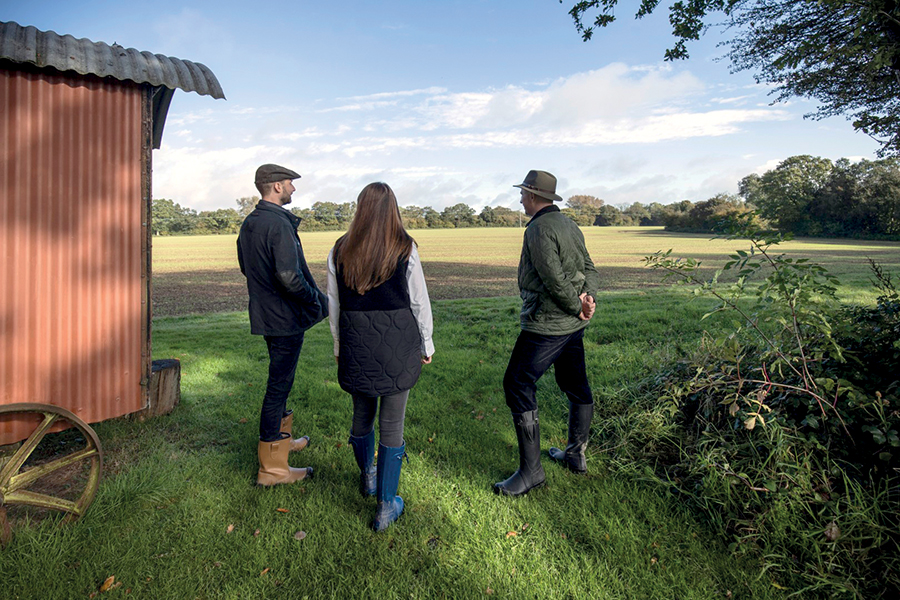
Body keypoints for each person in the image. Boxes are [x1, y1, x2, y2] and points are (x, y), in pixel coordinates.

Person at [326, 182, 434, 531]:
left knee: (361, 413)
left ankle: (368, 476)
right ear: (394, 210)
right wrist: (427, 343)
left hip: (357, 341)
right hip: (398, 343)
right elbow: (419, 300)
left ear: (360, 209)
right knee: (392, 422)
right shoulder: (405, 248)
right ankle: (387, 505)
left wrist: (339, 347)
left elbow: (334, 305)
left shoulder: (340, 249)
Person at [494, 170, 600, 497]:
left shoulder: (539, 230)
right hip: (573, 324)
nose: (520, 198)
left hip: (548, 324)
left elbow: (552, 279)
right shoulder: (570, 225)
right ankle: (575, 455)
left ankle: (531, 472)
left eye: (523, 193)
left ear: (534, 196)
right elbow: (590, 269)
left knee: (517, 382)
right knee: (575, 384)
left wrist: (578, 306)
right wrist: (587, 302)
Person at [237, 163, 327, 486]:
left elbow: (247, 268)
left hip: (267, 317)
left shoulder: (250, 223)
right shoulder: (278, 224)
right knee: (278, 387)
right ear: (276, 186)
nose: (293, 188)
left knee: (281, 382)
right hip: (286, 320)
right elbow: (290, 277)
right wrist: (313, 300)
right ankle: (272, 470)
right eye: (289, 183)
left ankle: (282, 441)